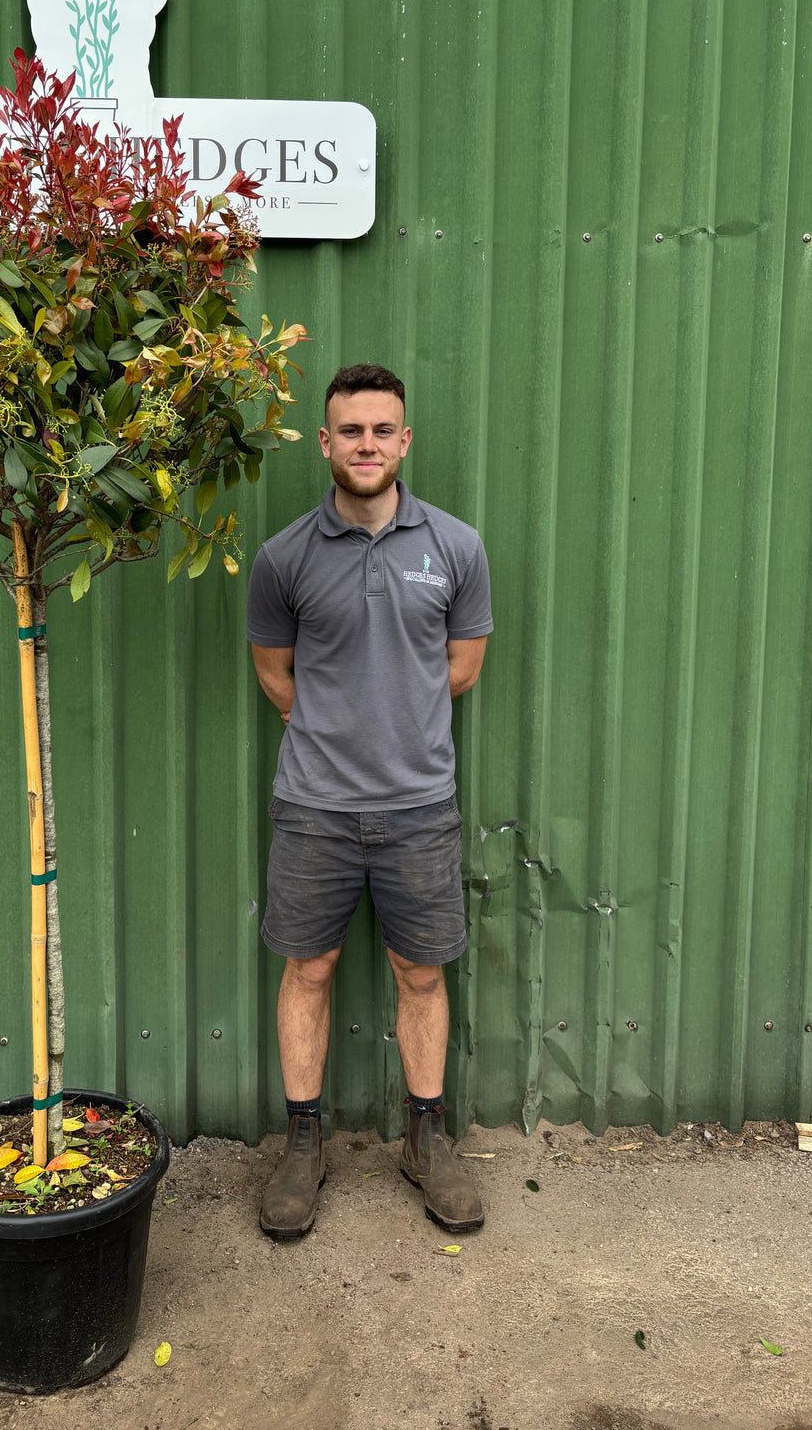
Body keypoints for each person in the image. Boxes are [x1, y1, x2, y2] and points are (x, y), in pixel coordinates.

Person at [246, 363, 492, 1241]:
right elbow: (276, 676)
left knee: (420, 973)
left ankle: (425, 1138)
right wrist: (338, 732)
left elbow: (460, 669)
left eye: (382, 430)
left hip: (420, 807)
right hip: (315, 807)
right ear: (325, 441)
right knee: (308, 970)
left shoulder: (456, 548)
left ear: (404, 440)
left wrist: (392, 727)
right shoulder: (283, 559)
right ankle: (302, 1143)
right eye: (350, 430)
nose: (367, 444)